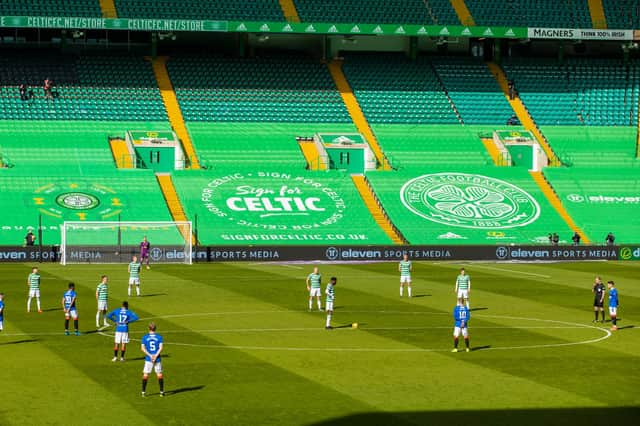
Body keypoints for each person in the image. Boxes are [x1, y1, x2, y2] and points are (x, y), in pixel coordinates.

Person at [141, 322, 164, 397]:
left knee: (145, 374)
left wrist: (150, 356)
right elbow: (161, 348)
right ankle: (161, 392)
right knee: (159, 374)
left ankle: (143, 392)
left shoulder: (144, 337)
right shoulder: (159, 337)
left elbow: (143, 349)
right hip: (157, 359)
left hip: (148, 359)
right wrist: (155, 356)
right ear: (155, 329)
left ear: (148, 328)